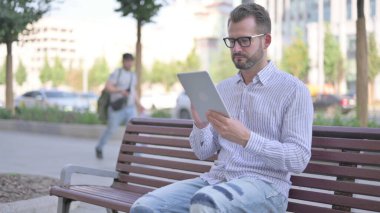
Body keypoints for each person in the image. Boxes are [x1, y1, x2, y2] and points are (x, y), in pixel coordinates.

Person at [130, 2, 313, 213]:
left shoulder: (293, 90)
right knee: (144, 207)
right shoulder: (224, 89)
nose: (236, 49)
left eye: (244, 41)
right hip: (216, 181)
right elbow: (203, 152)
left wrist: (247, 139)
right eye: (232, 41)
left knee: (205, 203)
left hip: (266, 188)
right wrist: (200, 125)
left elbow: (298, 159)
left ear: (266, 41)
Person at [95, 53, 143, 159]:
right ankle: (99, 147)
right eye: (127, 61)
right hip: (117, 108)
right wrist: (120, 90)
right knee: (111, 129)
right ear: (123, 61)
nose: (129, 63)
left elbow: (133, 92)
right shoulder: (118, 73)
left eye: (131, 61)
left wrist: (139, 104)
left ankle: (137, 153)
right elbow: (108, 87)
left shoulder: (133, 75)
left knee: (134, 129)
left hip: (130, 107)